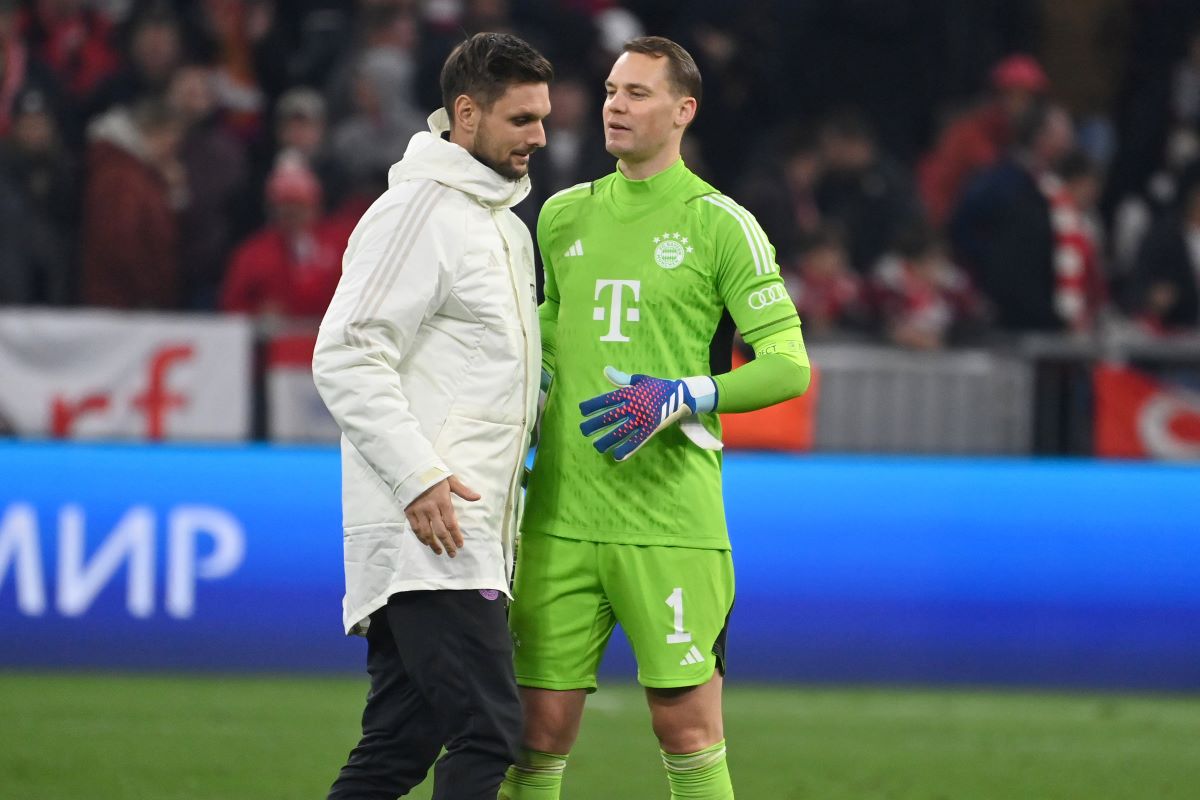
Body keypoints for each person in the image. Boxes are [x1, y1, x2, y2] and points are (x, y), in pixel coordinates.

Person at [500, 36, 811, 800]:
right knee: (533, 737)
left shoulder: (720, 224)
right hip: (559, 515)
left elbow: (788, 364)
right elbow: (548, 325)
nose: (615, 104)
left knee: (688, 732)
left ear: (683, 110)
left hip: (670, 521)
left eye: (638, 92)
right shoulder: (562, 216)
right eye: (611, 89)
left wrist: (686, 393)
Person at [311, 32, 552, 800]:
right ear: (467, 113)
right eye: (521, 119)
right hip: (434, 529)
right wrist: (420, 479)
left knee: (396, 748)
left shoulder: (502, 226)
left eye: (543, 118)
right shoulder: (417, 211)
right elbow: (345, 353)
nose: (540, 137)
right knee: (488, 730)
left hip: (464, 530)